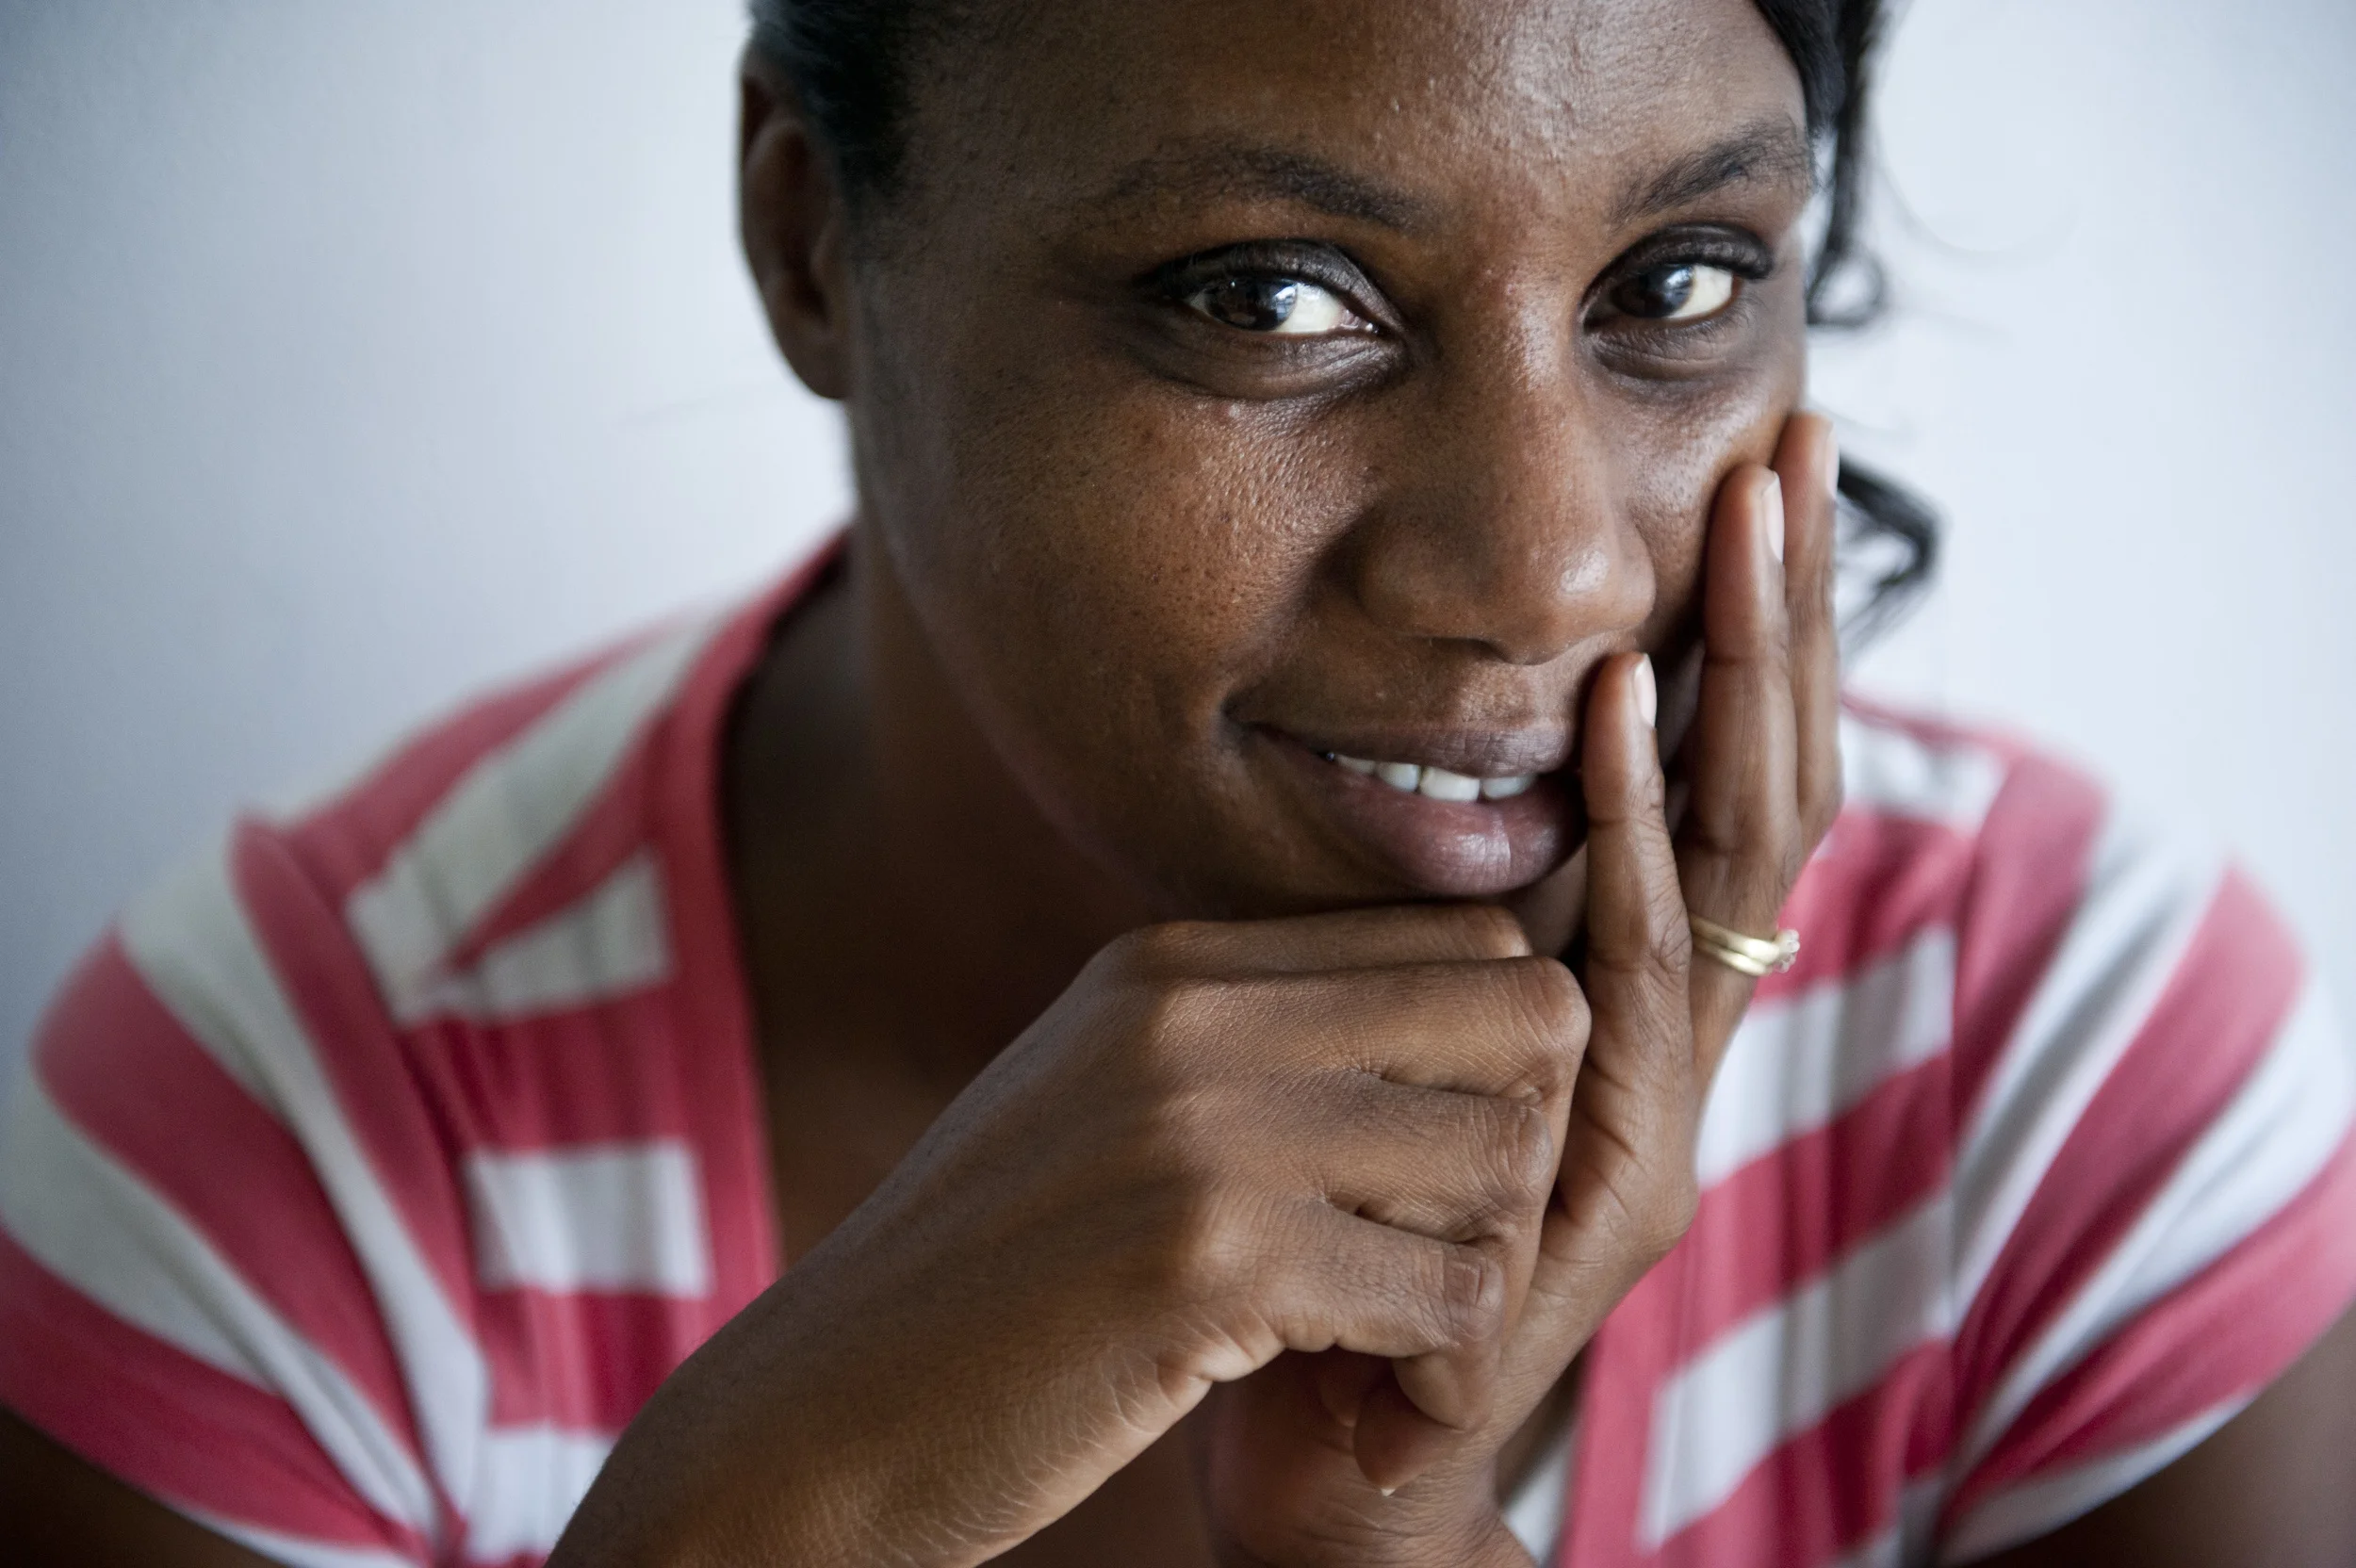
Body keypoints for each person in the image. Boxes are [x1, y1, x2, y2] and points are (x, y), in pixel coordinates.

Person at [5, 0, 2354, 1562]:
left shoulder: (2056, 1066)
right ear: (814, 240)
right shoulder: (282, 1155)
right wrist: (766, 1517)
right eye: (1266, 296)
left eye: (1672, 282)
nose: (1538, 569)